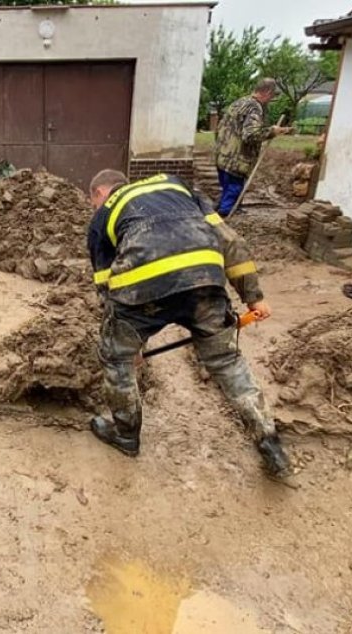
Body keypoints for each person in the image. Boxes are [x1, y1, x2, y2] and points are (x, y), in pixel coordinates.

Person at [86, 169, 291, 477]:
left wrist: (128, 346)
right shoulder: (177, 187)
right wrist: (253, 298)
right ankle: (269, 440)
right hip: (204, 278)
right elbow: (230, 242)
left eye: (93, 202)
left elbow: (106, 286)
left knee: (115, 358)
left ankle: (126, 435)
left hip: (142, 290)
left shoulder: (103, 215)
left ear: (98, 194)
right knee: (226, 361)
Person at [214, 78, 292, 216]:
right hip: (236, 162)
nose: (271, 100)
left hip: (223, 156)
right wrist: (272, 131)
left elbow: (220, 128)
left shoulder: (239, 103)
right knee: (232, 197)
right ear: (267, 92)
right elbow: (250, 135)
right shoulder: (254, 107)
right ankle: (225, 224)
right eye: (272, 96)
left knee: (227, 191)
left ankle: (221, 211)